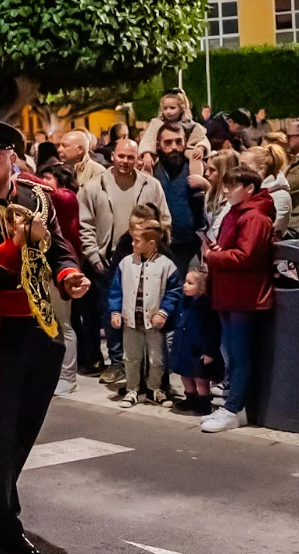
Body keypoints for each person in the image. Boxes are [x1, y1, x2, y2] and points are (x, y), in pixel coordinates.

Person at [0, 120, 88, 554]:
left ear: (12, 158)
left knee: (26, 419)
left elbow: (60, 247)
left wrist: (69, 275)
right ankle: (3, 518)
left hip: (37, 321)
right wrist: (20, 241)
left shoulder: (36, 195)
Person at [77, 138, 169, 380]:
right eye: (121, 156)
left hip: (145, 262)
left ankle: (146, 367)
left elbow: (165, 220)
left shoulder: (152, 185)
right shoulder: (93, 187)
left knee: (145, 314)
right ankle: (117, 363)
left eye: (131, 157)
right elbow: (85, 225)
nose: (126, 162)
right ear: (112, 156)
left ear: (138, 158)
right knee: (112, 314)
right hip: (108, 262)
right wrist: (93, 255)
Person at [200, 166, 275, 433]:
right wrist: (220, 251)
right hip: (230, 294)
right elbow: (237, 250)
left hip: (245, 296)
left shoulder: (254, 217)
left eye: (233, 186)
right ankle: (235, 406)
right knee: (231, 353)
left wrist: (213, 256)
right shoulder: (236, 213)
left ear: (250, 189)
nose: (228, 190)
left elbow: (246, 256)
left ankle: (233, 408)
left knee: (239, 355)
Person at [107, 216, 182, 407]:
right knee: (131, 357)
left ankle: (154, 388)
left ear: (151, 243)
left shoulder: (167, 265)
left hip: (154, 322)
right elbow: (116, 290)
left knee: (157, 358)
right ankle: (132, 389)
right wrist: (115, 311)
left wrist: (164, 312)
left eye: (137, 241)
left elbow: (174, 292)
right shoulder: (125, 263)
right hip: (131, 320)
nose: (132, 243)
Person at [35, 161, 83, 397]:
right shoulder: (42, 200)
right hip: (43, 265)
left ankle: (68, 377)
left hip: (63, 266)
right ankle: (52, 374)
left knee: (64, 324)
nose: (43, 182)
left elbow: (56, 196)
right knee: (47, 322)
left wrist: (26, 179)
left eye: (48, 177)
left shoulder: (66, 197)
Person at [151, 124, 209, 274]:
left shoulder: (196, 168)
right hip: (160, 246)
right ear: (158, 145)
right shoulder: (151, 171)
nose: (174, 147)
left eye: (179, 142)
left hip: (191, 245)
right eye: (168, 142)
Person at [169, 268, 219, 417]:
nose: (185, 285)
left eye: (190, 283)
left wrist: (209, 351)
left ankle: (203, 402)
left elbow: (212, 331)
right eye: (185, 281)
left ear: (202, 287)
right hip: (183, 345)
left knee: (200, 377)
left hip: (198, 348)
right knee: (185, 374)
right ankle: (190, 398)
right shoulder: (184, 301)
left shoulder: (207, 307)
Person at [139, 90, 209, 161]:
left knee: (196, 159)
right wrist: (146, 153)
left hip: (184, 157)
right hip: (160, 158)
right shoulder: (156, 124)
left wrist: (201, 148)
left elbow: (202, 139)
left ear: (182, 108)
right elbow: (147, 140)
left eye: (172, 108)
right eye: (165, 108)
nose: (168, 111)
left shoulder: (191, 125)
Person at [240, 143, 292, 236]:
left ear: (261, 169)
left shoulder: (281, 196)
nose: (238, 170)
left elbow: (261, 234)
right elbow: (223, 222)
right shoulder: (241, 188)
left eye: (243, 166)